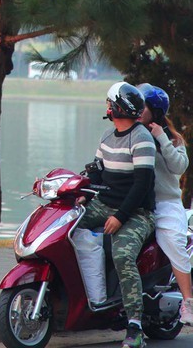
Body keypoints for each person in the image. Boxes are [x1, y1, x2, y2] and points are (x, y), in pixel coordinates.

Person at [79, 82, 156, 348]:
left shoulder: (142, 138)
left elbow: (142, 185)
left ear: (117, 108)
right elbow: (96, 174)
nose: (107, 108)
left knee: (122, 255)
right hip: (106, 204)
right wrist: (83, 194)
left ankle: (135, 326)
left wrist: (121, 217)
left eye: (109, 103)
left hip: (137, 212)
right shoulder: (106, 137)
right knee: (64, 225)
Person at [137, 83, 193, 324]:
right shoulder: (128, 133)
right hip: (136, 205)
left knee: (172, 239)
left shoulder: (172, 139)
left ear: (156, 111)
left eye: (142, 106)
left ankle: (189, 302)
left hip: (166, 203)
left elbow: (179, 167)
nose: (136, 109)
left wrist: (161, 137)